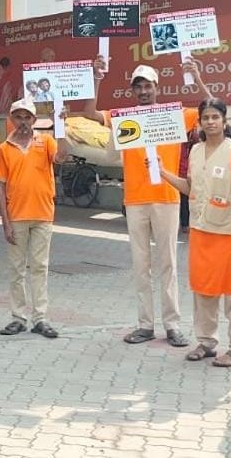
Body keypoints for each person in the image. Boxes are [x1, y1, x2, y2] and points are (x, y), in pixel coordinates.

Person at [80, 58, 212, 348]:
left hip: (166, 197)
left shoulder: (175, 114)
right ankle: (144, 325)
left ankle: (173, 325)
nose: (142, 91)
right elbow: (89, 112)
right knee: (141, 265)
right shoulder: (124, 116)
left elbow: (210, 107)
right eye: (137, 87)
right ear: (133, 91)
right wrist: (97, 77)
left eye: (147, 86)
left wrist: (196, 76)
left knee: (168, 264)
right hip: (136, 199)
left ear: (156, 87)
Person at [158, 98, 231, 367]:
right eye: (206, 118)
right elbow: (191, 188)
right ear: (199, 122)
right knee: (203, 289)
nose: (210, 122)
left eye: (215, 117)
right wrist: (162, 172)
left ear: (224, 121)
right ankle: (206, 342)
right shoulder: (195, 151)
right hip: (201, 230)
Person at [0, 99, 69, 338]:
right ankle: (18, 317)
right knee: (16, 269)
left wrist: (62, 127)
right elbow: (0, 188)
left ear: (34, 121)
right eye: (19, 117)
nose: (23, 122)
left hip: (43, 215)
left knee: (40, 268)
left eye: (28, 118)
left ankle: (41, 318)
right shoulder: (4, 148)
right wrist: (4, 221)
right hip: (16, 217)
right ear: (11, 119)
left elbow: (62, 158)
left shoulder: (45, 141)